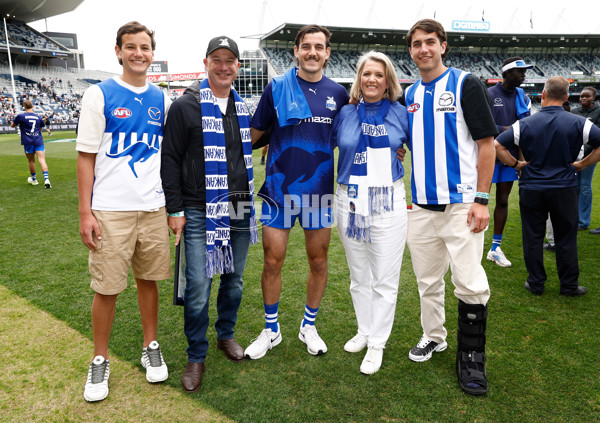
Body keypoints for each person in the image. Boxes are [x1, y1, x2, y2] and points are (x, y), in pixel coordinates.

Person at [76, 21, 171, 402]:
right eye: (130, 47)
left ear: (152, 53)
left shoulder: (163, 99)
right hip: (110, 211)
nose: (138, 53)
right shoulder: (98, 95)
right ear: (118, 51)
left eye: (144, 47)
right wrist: (86, 212)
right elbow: (85, 159)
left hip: (152, 208)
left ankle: (151, 346)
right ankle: (99, 357)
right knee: (108, 287)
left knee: (149, 281)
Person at [403, 19, 497, 395]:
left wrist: (482, 198)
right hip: (421, 207)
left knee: (469, 283)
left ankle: (472, 358)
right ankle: (434, 336)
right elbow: (411, 143)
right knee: (427, 281)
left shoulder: (465, 82)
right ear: (410, 51)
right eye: (416, 44)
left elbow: (486, 145)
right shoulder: (409, 93)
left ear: (443, 46)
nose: (423, 49)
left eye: (430, 42)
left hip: (462, 204)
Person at [244, 24, 349, 360]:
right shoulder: (276, 88)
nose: (313, 52)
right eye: (306, 46)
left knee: (318, 260)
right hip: (278, 189)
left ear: (327, 52)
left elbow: (351, 137)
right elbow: (253, 135)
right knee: (272, 260)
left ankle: (308, 326)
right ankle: (271, 329)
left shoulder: (340, 93)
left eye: (319, 47)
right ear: (296, 51)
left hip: (319, 192)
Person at [161, 36, 259, 394]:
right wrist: (175, 209)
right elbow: (169, 158)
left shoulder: (243, 106)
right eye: (216, 59)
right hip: (198, 207)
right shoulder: (186, 105)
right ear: (206, 63)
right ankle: (196, 354)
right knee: (199, 287)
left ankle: (226, 335)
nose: (223, 66)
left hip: (240, 206)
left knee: (234, 280)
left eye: (230, 60)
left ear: (237, 66)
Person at [332, 51, 409, 375]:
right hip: (349, 201)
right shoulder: (346, 113)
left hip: (387, 202)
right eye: (366, 74)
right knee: (358, 277)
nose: (372, 80)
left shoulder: (401, 113)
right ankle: (364, 331)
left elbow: (415, 150)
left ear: (388, 80)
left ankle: (378, 341)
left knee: (385, 280)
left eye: (379, 74)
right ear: (358, 80)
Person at [495, 76, 600, 297]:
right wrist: (582, 164)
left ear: (543, 95)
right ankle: (569, 285)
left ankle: (536, 283)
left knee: (532, 236)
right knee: (566, 236)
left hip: (532, 187)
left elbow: (497, 145)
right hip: (564, 187)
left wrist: (516, 164)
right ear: (565, 97)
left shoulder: (523, 124)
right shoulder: (580, 122)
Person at [486, 57, 533, 268]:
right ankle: (472, 244)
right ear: (506, 73)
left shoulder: (521, 95)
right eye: (519, 71)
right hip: (486, 157)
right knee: (478, 201)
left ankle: (495, 248)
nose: (524, 75)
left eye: (524, 72)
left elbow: (524, 131)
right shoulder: (489, 94)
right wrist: (507, 130)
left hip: (509, 158)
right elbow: (480, 125)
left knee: (503, 201)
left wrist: (522, 161)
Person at [571, 87, 600, 232]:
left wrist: (586, 152)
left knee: (585, 187)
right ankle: (574, 218)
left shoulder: (598, 111)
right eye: (581, 96)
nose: (583, 99)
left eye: (587, 97)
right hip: (576, 155)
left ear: (594, 97)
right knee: (574, 187)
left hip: (591, 155)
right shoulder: (575, 112)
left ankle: (583, 221)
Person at [12, 99, 52, 188]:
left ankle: (34, 179)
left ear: (24, 107)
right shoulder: (38, 117)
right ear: (32, 106)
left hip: (28, 141)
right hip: (38, 141)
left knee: (31, 161)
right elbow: (40, 130)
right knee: (42, 160)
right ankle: (47, 179)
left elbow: (13, 125)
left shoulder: (21, 116)